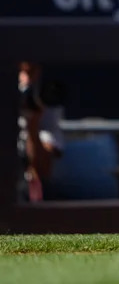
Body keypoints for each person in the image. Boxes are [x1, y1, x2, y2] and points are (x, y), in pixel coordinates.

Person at [17, 61, 64, 202]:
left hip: (22, 194)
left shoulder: (45, 103)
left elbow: (43, 169)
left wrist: (32, 124)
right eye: (21, 72)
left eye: (30, 72)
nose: (25, 81)